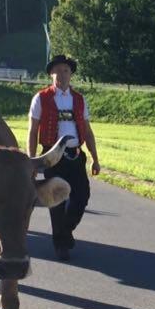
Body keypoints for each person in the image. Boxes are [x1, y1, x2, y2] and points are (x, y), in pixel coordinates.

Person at [27, 54, 101, 261]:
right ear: (51, 74)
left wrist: (95, 158)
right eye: (58, 70)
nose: (62, 74)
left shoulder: (79, 99)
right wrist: (32, 160)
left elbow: (87, 130)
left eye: (66, 70)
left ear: (71, 74)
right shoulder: (40, 98)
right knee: (57, 200)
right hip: (52, 156)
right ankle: (60, 244)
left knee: (81, 196)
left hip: (75, 154)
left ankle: (65, 231)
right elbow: (32, 131)